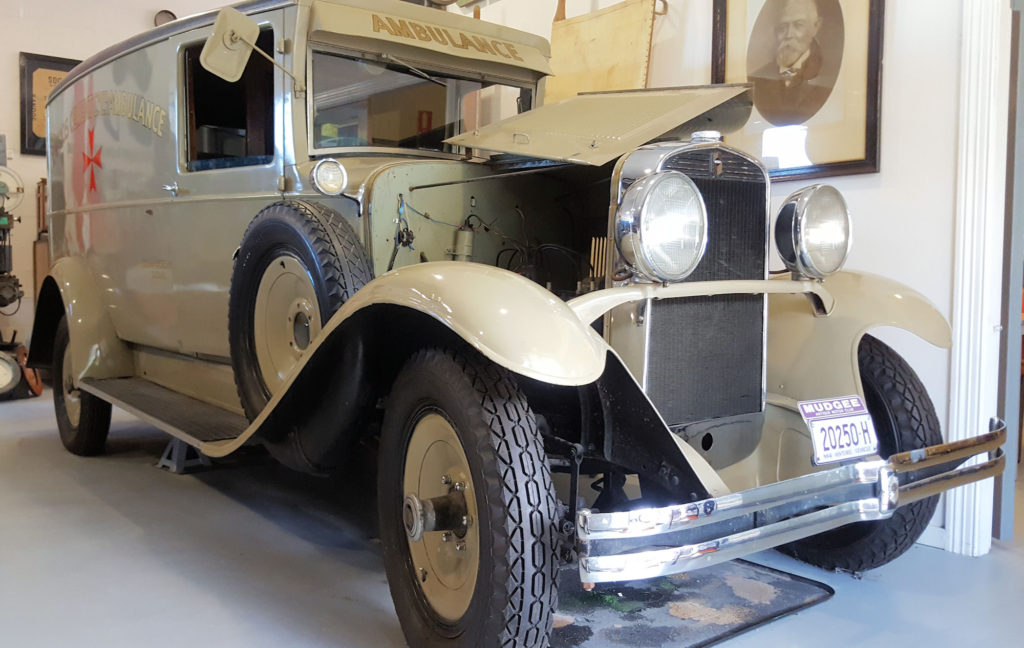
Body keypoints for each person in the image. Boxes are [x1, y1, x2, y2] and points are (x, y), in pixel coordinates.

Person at [749, 0, 835, 126]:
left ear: (816, 27)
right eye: (783, 27)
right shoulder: (756, 79)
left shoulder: (830, 74)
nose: (789, 35)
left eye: (798, 25)